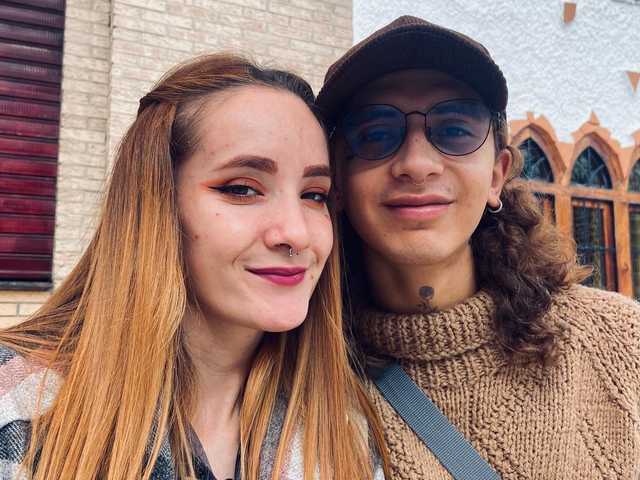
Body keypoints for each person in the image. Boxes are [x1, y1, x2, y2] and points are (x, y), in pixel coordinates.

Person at [0, 53, 387, 480]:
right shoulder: (17, 401)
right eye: (242, 189)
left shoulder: (345, 429)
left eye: (314, 195)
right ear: (157, 201)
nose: (296, 234)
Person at [316, 15, 640, 479]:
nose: (417, 164)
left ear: (495, 175)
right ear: (338, 180)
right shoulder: (300, 385)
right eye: (375, 134)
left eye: (453, 130)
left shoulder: (622, 343)